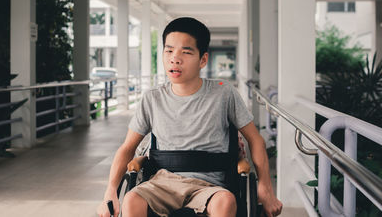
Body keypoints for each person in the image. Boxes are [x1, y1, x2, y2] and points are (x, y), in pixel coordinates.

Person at [97, 17, 283, 217]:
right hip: (162, 183)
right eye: (169, 51)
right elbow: (127, 148)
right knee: (131, 200)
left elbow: (255, 139)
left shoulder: (224, 93)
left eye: (185, 52)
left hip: (210, 186)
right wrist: (110, 192)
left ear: (203, 59)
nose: (174, 59)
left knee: (226, 201)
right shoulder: (152, 98)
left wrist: (265, 187)